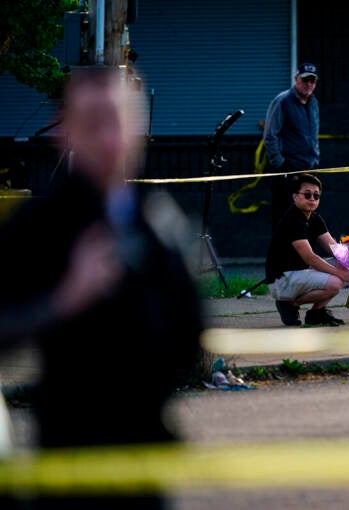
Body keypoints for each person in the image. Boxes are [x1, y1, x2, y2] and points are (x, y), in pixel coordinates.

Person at [0, 66, 204, 508]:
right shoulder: (37, 225)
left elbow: (191, 334)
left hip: (143, 456)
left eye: (120, 121)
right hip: (66, 455)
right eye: (93, 124)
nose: (110, 139)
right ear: (67, 131)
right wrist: (66, 299)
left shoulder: (158, 220)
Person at [265, 173, 349, 327]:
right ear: (295, 197)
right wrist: (342, 274)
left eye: (316, 195)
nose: (312, 198)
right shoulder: (292, 220)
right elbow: (310, 258)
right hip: (282, 280)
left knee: (347, 268)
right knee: (335, 282)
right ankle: (289, 303)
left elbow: (335, 250)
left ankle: (316, 313)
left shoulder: (315, 219)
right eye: (307, 194)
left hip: (300, 274)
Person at [263, 62, 321, 231]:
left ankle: (301, 258)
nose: (309, 84)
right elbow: (270, 135)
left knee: (305, 219)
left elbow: (313, 134)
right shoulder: (282, 101)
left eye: (312, 81)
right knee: (284, 219)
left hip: (309, 169)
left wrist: (315, 157)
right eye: (305, 80)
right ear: (296, 79)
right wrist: (281, 165)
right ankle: (279, 258)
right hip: (288, 170)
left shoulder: (313, 102)